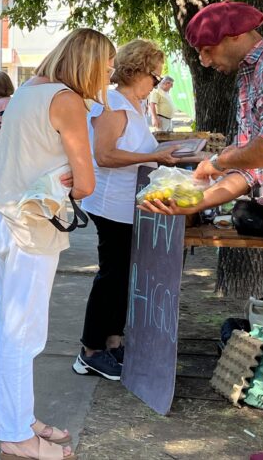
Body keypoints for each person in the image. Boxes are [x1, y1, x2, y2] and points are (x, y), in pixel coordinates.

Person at [140, 2, 263, 460]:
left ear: (229, 36)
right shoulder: (248, 75)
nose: (203, 61)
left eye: (204, 50)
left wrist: (218, 162)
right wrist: (193, 201)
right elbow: (253, 172)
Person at [0, 28, 115, 460]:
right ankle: (17, 437)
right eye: (107, 66)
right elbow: (87, 184)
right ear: (90, 64)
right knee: (22, 332)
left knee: (12, 325)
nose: (110, 74)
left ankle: (20, 420)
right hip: (32, 225)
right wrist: (69, 181)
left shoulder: (28, 89)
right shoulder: (68, 101)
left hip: (2, 215)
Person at [73, 40, 181, 381]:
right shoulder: (114, 103)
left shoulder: (131, 103)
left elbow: (132, 147)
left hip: (126, 204)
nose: (156, 82)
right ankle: (90, 351)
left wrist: (162, 152)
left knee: (120, 277)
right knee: (111, 277)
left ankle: (113, 341)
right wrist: (153, 157)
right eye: (154, 75)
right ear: (137, 71)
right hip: (110, 205)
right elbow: (104, 155)